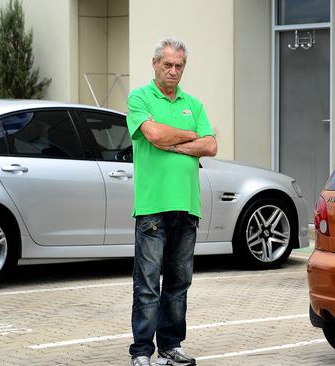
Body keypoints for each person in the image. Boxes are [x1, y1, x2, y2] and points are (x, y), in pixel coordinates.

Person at [126, 38, 217, 366]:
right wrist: (191, 135)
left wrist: (177, 140)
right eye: (167, 64)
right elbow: (152, 135)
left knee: (179, 284)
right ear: (154, 64)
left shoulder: (194, 103)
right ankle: (141, 352)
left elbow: (210, 146)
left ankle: (170, 345)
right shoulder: (139, 97)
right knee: (148, 284)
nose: (173, 70)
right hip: (152, 208)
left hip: (187, 208)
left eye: (179, 65)